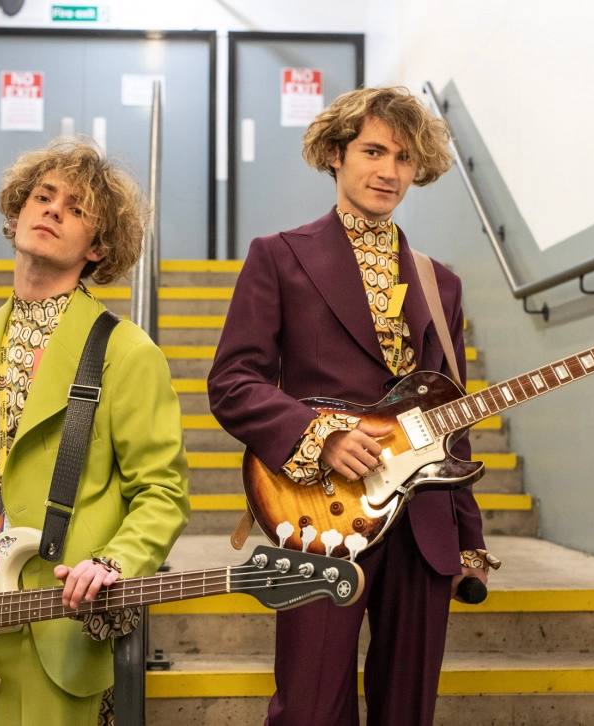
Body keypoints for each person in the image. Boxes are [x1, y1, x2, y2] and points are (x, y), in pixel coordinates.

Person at [207, 87, 498, 725]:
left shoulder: (440, 282)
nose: (389, 171)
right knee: (309, 709)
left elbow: (453, 418)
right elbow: (233, 381)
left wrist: (468, 540)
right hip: (320, 512)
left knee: (407, 712)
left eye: (404, 157)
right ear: (336, 154)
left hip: (424, 525)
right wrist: (321, 435)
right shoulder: (279, 256)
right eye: (373, 151)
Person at [0, 138, 190, 725]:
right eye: (43, 196)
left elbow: (163, 491)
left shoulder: (127, 351)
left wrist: (113, 563)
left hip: (52, 619)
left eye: (76, 209)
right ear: (18, 211)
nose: (53, 210)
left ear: (98, 246)